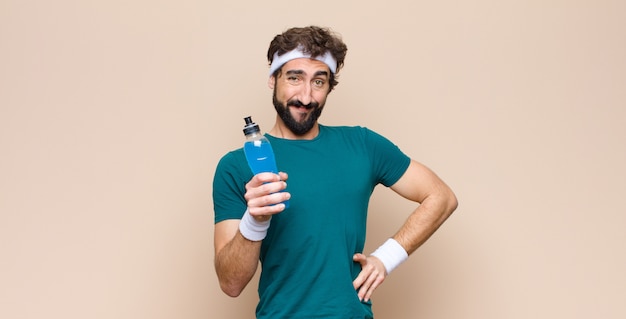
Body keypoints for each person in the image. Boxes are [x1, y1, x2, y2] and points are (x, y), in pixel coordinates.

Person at [212, 26, 458, 319]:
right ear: (273, 79)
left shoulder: (362, 145)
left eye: (319, 81)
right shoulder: (237, 165)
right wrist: (255, 220)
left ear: (330, 87)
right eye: (294, 78)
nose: (306, 96)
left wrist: (386, 258)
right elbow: (231, 283)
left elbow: (441, 197)